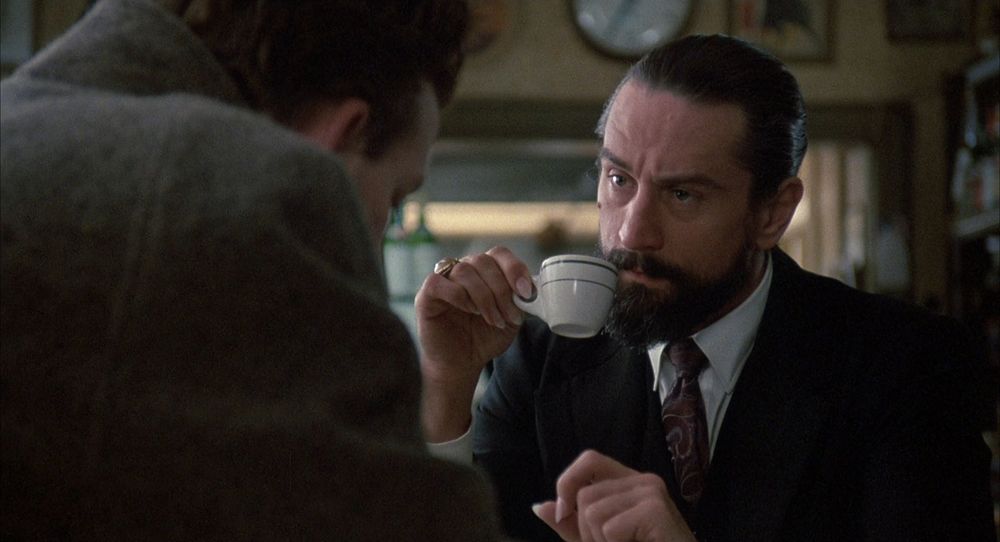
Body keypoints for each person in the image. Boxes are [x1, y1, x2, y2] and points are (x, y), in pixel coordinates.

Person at [416, 34, 995, 541]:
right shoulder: (541, 355)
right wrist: (445, 383)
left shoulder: (905, 365)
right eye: (618, 178)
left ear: (772, 213)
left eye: (682, 194)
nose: (631, 232)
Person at [1, 0, 507, 540]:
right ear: (345, 132)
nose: (383, 230)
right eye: (395, 195)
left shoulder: (28, 123)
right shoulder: (243, 197)